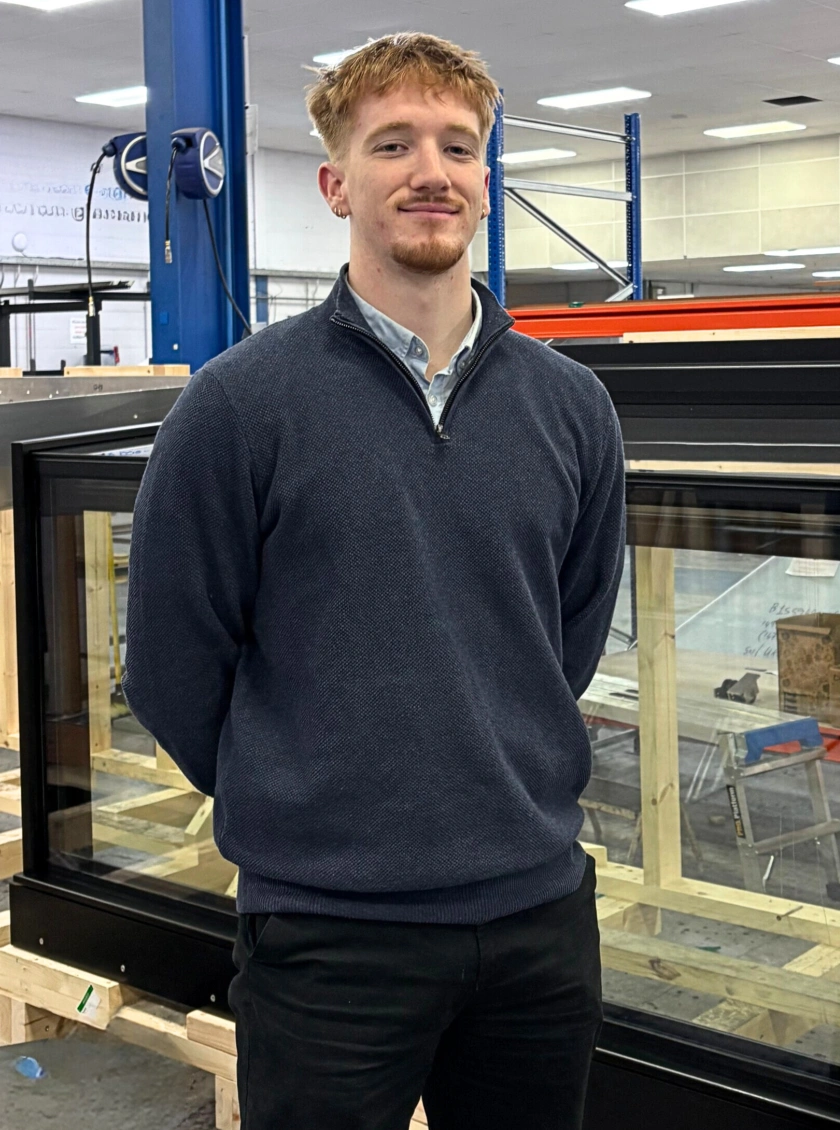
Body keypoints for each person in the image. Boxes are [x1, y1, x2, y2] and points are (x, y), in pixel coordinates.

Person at [122, 31, 626, 1130]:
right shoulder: (238, 407)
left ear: (485, 181)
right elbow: (169, 663)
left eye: (456, 144)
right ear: (335, 182)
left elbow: (566, 635)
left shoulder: (571, 406)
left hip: (536, 915)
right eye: (391, 143)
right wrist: (306, 793)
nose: (428, 171)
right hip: (330, 936)